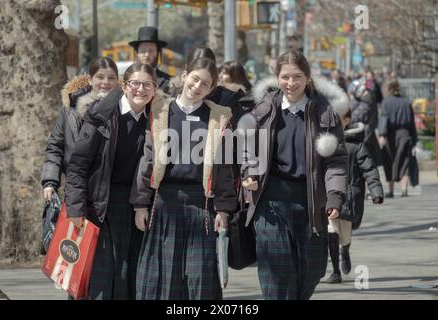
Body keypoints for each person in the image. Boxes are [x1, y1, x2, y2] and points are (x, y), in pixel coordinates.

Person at [241, 51, 348, 300]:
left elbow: (336, 161)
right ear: (276, 78)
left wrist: (335, 195)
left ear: (308, 78)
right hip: (270, 201)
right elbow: (247, 146)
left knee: (311, 272)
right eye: (285, 77)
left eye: (297, 77)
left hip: (310, 201)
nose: (291, 83)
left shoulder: (325, 114)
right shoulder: (264, 110)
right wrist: (249, 172)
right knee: (276, 273)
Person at [130, 57, 236, 300]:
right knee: (162, 280)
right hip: (164, 202)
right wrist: (140, 204)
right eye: (195, 78)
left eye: (205, 84)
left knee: (200, 280)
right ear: (184, 75)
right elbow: (147, 159)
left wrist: (224, 210)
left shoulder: (219, 118)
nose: (197, 86)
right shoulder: (159, 110)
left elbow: (225, 168)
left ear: (212, 88)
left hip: (202, 205)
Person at [64, 63, 158, 299]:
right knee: (97, 276)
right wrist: (75, 208)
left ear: (155, 89)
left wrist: (142, 205)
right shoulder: (101, 114)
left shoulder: (157, 120)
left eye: (148, 84)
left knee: (126, 276)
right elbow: (78, 164)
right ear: (124, 85)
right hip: (97, 203)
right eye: (135, 83)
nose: (141, 89)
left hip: (134, 205)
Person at [41, 57, 118, 202]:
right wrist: (50, 181)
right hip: (75, 188)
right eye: (100, 77)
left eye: (111, 78)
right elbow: (55, 146)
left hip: (110, 193)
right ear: (90, 79)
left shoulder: (123, 109)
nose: (106, 82)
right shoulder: (69, 109)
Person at [326, 107, 383, 284]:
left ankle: (345, 251)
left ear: (348, 119)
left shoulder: (357, 146)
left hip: (349, 197)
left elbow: (369, 169)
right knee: (331, 231)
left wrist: (376, 191)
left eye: (341, 118)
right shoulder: (325, 142)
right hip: (328, 196)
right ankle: (335, 271)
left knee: (345, 235)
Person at [378, 80, 418, 197]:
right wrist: (414, 139)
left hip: (390, 135)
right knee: (405, 161)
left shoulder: (386, 103)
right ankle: (404, 190)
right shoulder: (407, 102)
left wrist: (381, 134)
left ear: (390, 89)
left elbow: (384, 119)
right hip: (405, 134)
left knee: (390, 161)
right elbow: (412, 122)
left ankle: (391, 191)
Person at [129, 26, 171, 92]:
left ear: (157, 53)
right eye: (143, 50)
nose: (147, 55)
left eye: (151, 51)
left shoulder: (168, 82)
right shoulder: (127, 79)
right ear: (136, 53)